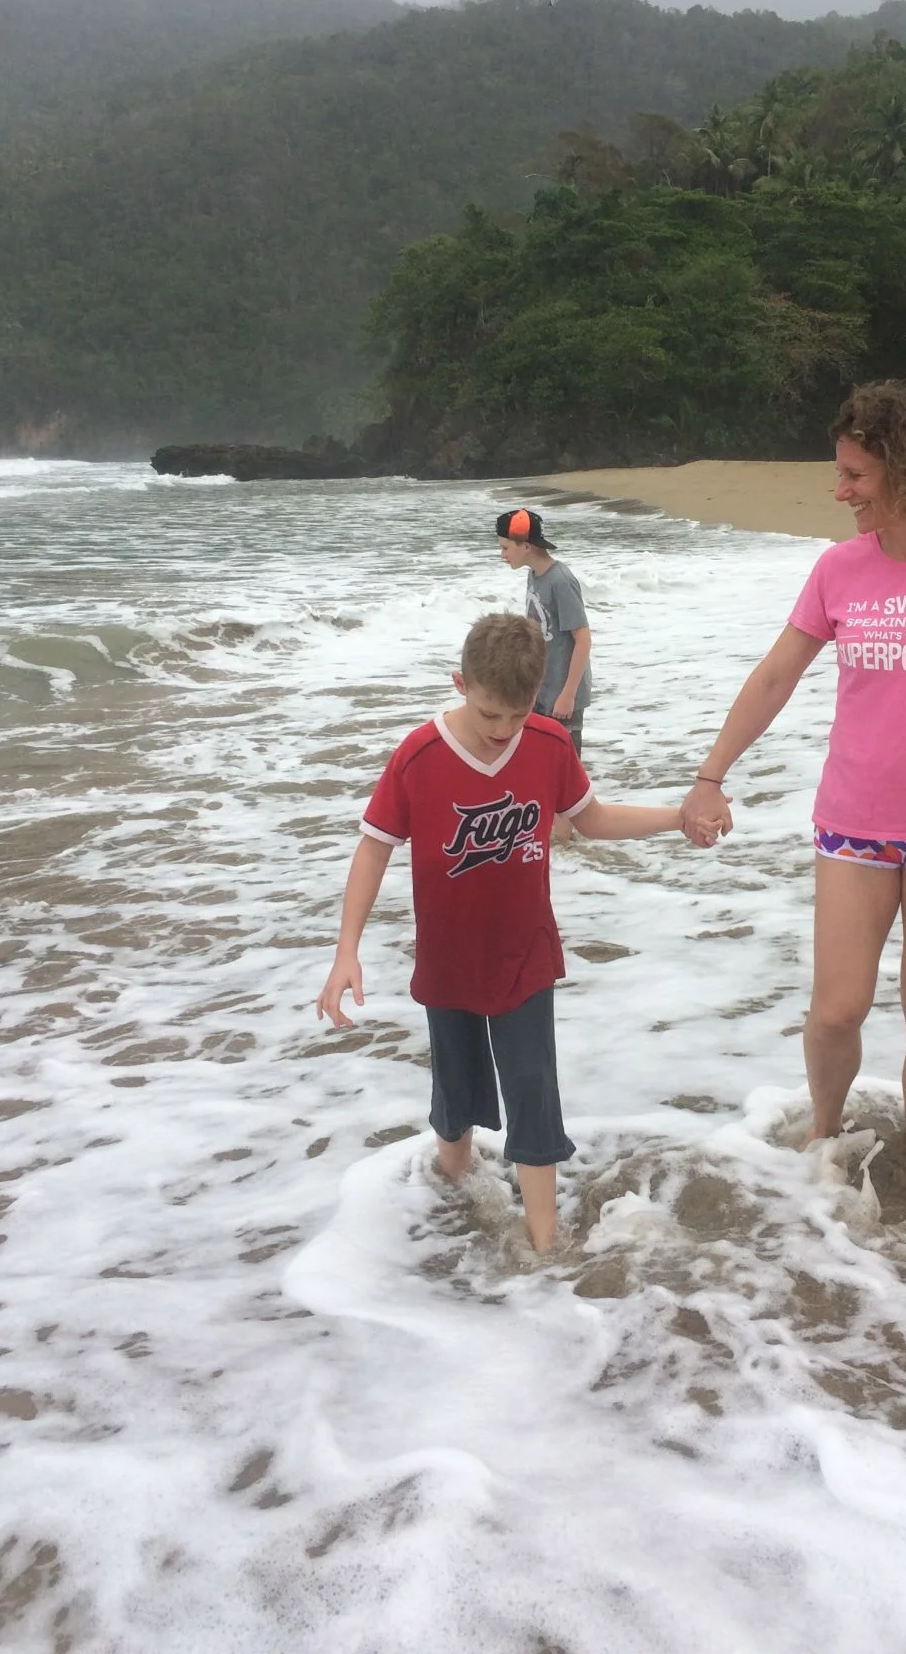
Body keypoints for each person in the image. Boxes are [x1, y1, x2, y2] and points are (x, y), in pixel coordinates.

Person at [680, 379, 906, 1174]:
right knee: (837, 1010)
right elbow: (776, 676)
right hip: (853, 822)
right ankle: (824, 1140)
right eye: (839, 473)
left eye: (855, 475)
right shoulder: (838, 569)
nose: (839, 491)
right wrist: (711, 775)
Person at [315, 612, 683, 1253]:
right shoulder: (419, 755)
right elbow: (373, 847)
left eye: (517, 715)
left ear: (535, 697)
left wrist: (678, 816)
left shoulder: (548, 743)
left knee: (534, 1093)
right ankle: (452, 1192)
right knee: (455, 1099)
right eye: (489, 714)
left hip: (524, 954)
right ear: (460, 684)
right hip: (449, 959)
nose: (503, 730)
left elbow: (592, 819)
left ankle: (544, 1244)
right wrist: (346, 950)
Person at [496, 508, 592, 755]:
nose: (502, 555)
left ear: (526, 546)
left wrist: (568, 695)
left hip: (562, 694)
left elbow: (583, 639)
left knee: (566, 766)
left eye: (506, 548)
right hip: (541, 690)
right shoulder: (535, 575)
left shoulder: (560, 580)